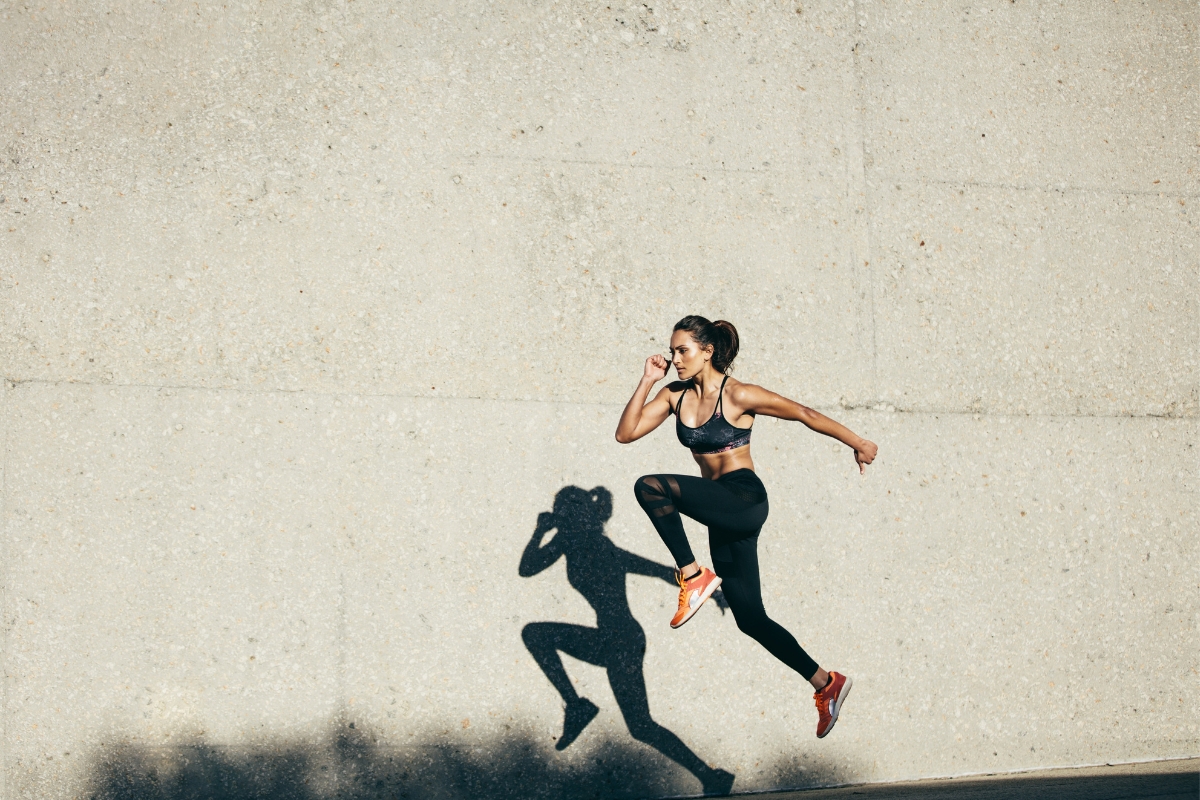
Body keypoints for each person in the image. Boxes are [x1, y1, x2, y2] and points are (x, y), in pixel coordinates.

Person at [614, 315, 878, 739]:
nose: (674, 359)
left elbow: (803, 413)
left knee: (650, 487)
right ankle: (826, 683)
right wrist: (647, 381)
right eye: (672, 350)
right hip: (719, 511)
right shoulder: (673, 395)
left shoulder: (737, 394)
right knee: (750, 618)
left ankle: (693, 576)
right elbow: (626, 434)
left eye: (683, 350)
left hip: (743, 499)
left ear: (707, 351)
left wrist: (859, 443)